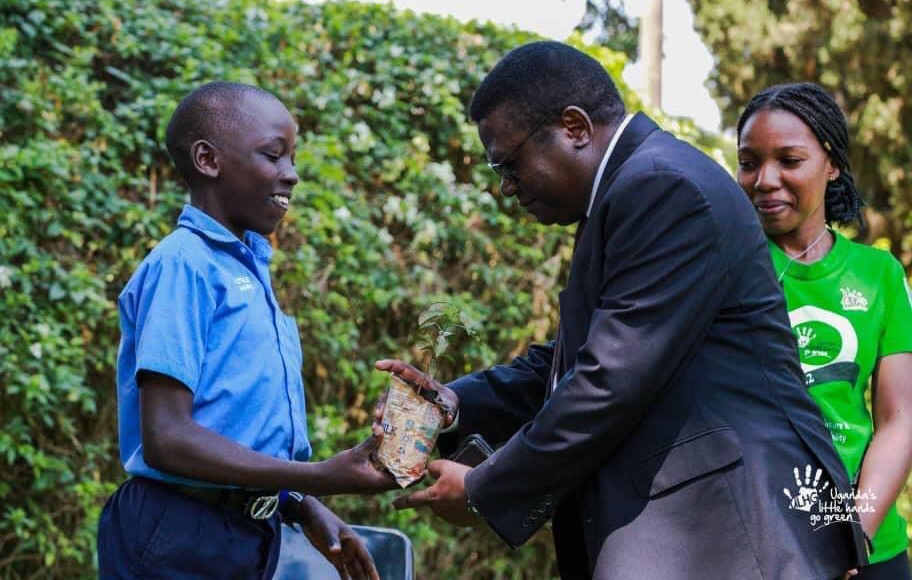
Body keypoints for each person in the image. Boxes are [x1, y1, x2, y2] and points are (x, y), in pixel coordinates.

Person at [374, 42, 867, 579]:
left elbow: (608, 380)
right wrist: (452, 403)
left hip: (736, 540)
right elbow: (573, 360)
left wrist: (484, 490)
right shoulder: (630, 188)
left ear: (575, 127)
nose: (506, 187)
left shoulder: (662, 186)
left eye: (509, 163)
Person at [97, 82, 396, 580]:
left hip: (246, 533)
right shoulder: (185, 265)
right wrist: (318, 477)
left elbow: (235, 429)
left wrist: (304, 505)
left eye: (292, 158)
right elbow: (167, 438)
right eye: (273, 155)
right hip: (178, 532)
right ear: (208, 160)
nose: (292, 174)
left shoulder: (250, 269)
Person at [736, 82, 912, 579]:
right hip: (761, 549)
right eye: (749, 162)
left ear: (831, 165)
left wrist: (853, 533)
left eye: (789, 160)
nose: (765, 179)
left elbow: (900, 419)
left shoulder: (878, 274)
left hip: (871, 550)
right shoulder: (725, 263)